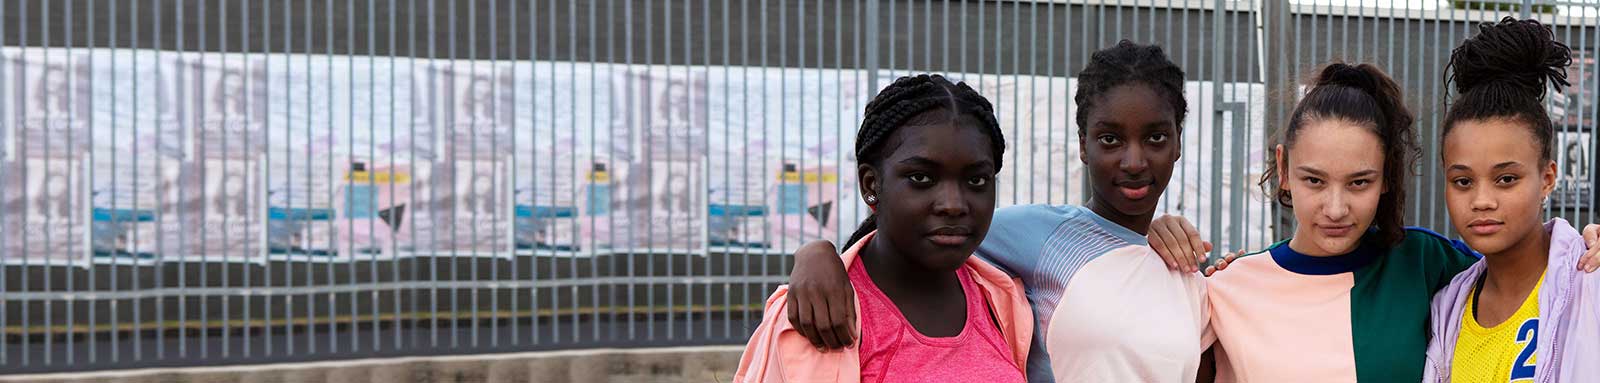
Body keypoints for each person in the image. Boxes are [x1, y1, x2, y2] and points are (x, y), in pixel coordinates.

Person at [781, 41, 1215, 382]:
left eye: (1156, 139)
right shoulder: (1035, 233)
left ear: (1178, 142)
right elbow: (906, 233)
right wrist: (817, 254)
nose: (1134, 161)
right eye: (1109, 139)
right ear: (1083, 144)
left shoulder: (1186, 269)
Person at [1146, 63, 1600, 382]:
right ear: (1283, 169)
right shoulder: (1228, 287)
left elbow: (1530, 271)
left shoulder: (1428, 263)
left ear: (1387, 177)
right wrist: (1151, 240)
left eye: (1359, 182)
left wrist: (1586, 247)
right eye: (1314, 180)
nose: (1336, 207)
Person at [734, 74, 1030, 382]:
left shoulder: (1003, 300)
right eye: (921, 178)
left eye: (976, 180)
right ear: (871, 184)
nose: (953, 204)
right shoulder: (819, 313)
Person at [1422, 17, 1600, 382]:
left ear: (1547, 178)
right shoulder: (1446, 309)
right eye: (1463, 180)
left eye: (1506, 179)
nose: (1482, 200)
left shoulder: (1590, 282)